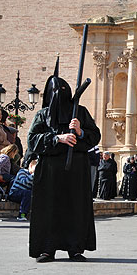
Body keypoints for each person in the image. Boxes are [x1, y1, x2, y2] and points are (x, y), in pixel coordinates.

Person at [27, 74, 101, 262]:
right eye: (54, 92)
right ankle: (47, 248)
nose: (58, 95)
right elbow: (32, 140)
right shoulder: (43, 115)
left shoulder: (80, 112)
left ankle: (75, 247)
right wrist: (56, 138)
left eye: (62, 91)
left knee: (75, 208)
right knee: (49, 208)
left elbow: (95, 136)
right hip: (50, 171)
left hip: (75, 171)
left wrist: (80, 131)